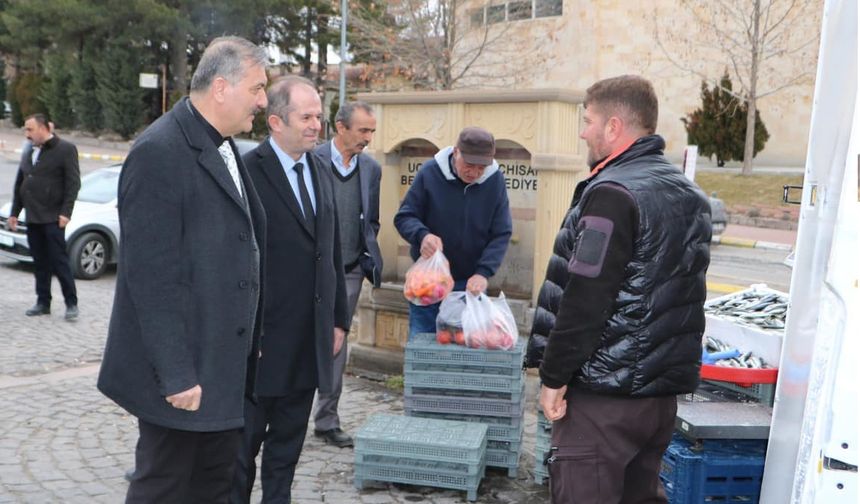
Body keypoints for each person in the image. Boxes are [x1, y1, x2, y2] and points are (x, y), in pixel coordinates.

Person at [97, 36, 268, 503]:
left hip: (223, 366)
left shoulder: (227, 145)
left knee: (213, 487)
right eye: (256, 87)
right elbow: (149, 278)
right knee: (165, 487)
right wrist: (175, 374)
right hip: (184, 375)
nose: (263, 99)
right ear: (220, 87)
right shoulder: (159, 151)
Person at [528, 75, 712, 503]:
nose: (582, 131)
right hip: (658, 401)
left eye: (588, 120)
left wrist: (553, 376)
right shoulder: (689, 194)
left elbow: (586, 297)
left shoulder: (613, 194)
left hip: (603, 401)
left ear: (613, 127)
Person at [231, 76, 350, 503]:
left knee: (286, 453)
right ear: (276, 121)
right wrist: (245, 332)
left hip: (306, 343)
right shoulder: (247, 172)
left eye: (319, 115)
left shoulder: (320, 167)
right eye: (307, 117)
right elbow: (234, 260)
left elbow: (331, 249)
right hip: (260, 348)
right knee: (240, 457)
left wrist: (338, 318)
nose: (317, 124)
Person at [394, 126, 512, 339]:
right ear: (456, 152)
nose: (474, 173)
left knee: (465, 351)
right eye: (469, 165)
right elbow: (404, 216)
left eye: (481, 168)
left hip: (470, 285)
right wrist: (422, 235)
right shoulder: (430, 173)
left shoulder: (495, 181)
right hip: (428, 282)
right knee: (423, 345)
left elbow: (501, 232)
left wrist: (483, 273)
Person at [311, 101, 383, 448]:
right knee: (296, 340)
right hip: (309, 271)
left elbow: (372, 219)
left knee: (337, 342)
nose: (368, 138)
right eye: (363, 130)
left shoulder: (371, 169)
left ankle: (327, 421)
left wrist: (365, 252)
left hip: (350, 271)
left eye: (372, 131)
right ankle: (280, 414)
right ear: (340, 127)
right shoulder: (311, 162)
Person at [8, 113, 80, 320]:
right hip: (33, 216)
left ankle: (71, 303)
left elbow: (73, 183)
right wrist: (15, 212)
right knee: (40, 262)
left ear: (44, 128)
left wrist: (66, 212)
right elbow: (21, 182)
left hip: (53, 216)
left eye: (30, 129)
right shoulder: (28, 149)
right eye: (25, 129)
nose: (26, 134)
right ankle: (43, 301)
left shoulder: (65, 149)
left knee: (59, 261)